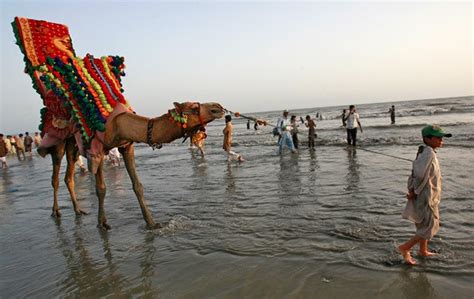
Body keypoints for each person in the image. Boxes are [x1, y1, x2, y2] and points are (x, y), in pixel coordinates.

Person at [398, 125, 452, 265]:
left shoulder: (424, 150)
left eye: (442, 138)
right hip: (427, 196)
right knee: (430, 226)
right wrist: (414, 191)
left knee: (423, 223)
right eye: (438, 138)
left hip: (425, 195)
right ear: (427, 138)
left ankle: (423, 250)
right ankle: (405, 248)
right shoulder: (429, 153)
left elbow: (415, 173)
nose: (441, 140)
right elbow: (420, 175)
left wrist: (412, 190)